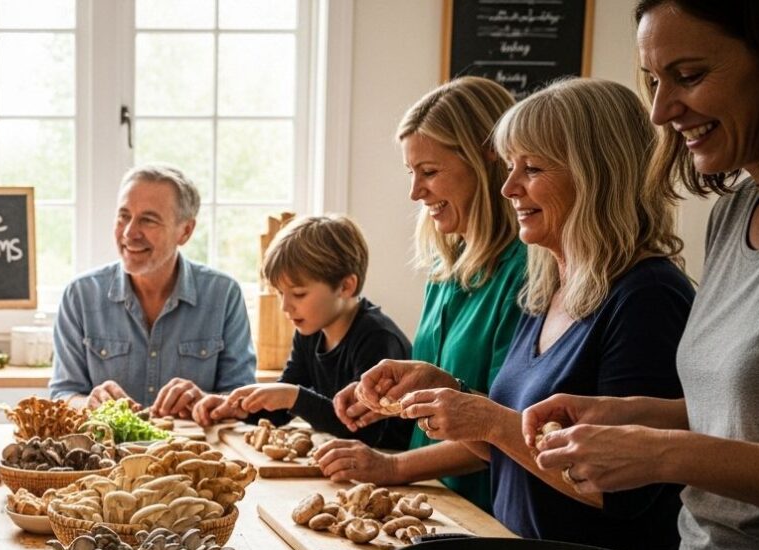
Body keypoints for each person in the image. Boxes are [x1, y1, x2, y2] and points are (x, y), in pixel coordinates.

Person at [523, 0, 759, 550]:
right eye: (654, 82)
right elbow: (748, 414)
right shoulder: (736, 213)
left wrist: (663, 452)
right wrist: (628, 415)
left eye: (688, 75)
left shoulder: (650, 286)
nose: (662, 111)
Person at [347, 78, 695, 550]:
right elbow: (510, 447)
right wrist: (449, 391)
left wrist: (487, 420)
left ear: (597, 176)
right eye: (510, 167)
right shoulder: (547, 288)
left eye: (531, 168)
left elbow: (619, 490)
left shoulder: (648, 296)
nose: (508, 187)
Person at [315, 77, 527, 511]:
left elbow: (505, 426)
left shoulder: (524, 271)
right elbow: (443, 384)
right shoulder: (444, 266)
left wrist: (392, 467)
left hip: (484, 512)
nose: (415, 192)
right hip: (430, 503)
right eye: (411, 173)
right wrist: (391, 400)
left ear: (488, 161)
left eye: (429, 172)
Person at [191, 215, 414, 450]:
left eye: (298, 294)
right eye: (280, 293)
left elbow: (364, 430)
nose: (285, 307)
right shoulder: (310, 331)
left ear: (346, 286)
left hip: (394, 461)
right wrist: (237, 408)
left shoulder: (377, 339)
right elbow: (281, 411)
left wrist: (293, 397)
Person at [50, 163, 256, 414]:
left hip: (194, 441)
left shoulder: (223, 294)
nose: (129, 233)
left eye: (148, 220)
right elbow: (63, 394)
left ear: (185, 231)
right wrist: (88, 403)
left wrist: (206, 400)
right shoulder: (80, 295)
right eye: (124, 216)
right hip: (106, 441)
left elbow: (241, 399)